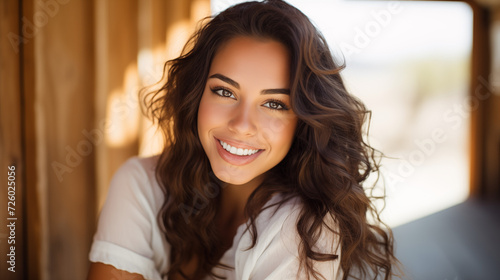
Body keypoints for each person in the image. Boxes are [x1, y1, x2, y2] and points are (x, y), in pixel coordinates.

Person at [87, 0, 399, 279]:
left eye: (275, 104)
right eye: (225, 92)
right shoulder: (141, 183)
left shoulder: (305, 226)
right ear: (196, 96)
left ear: (302, 121)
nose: (242, 125)